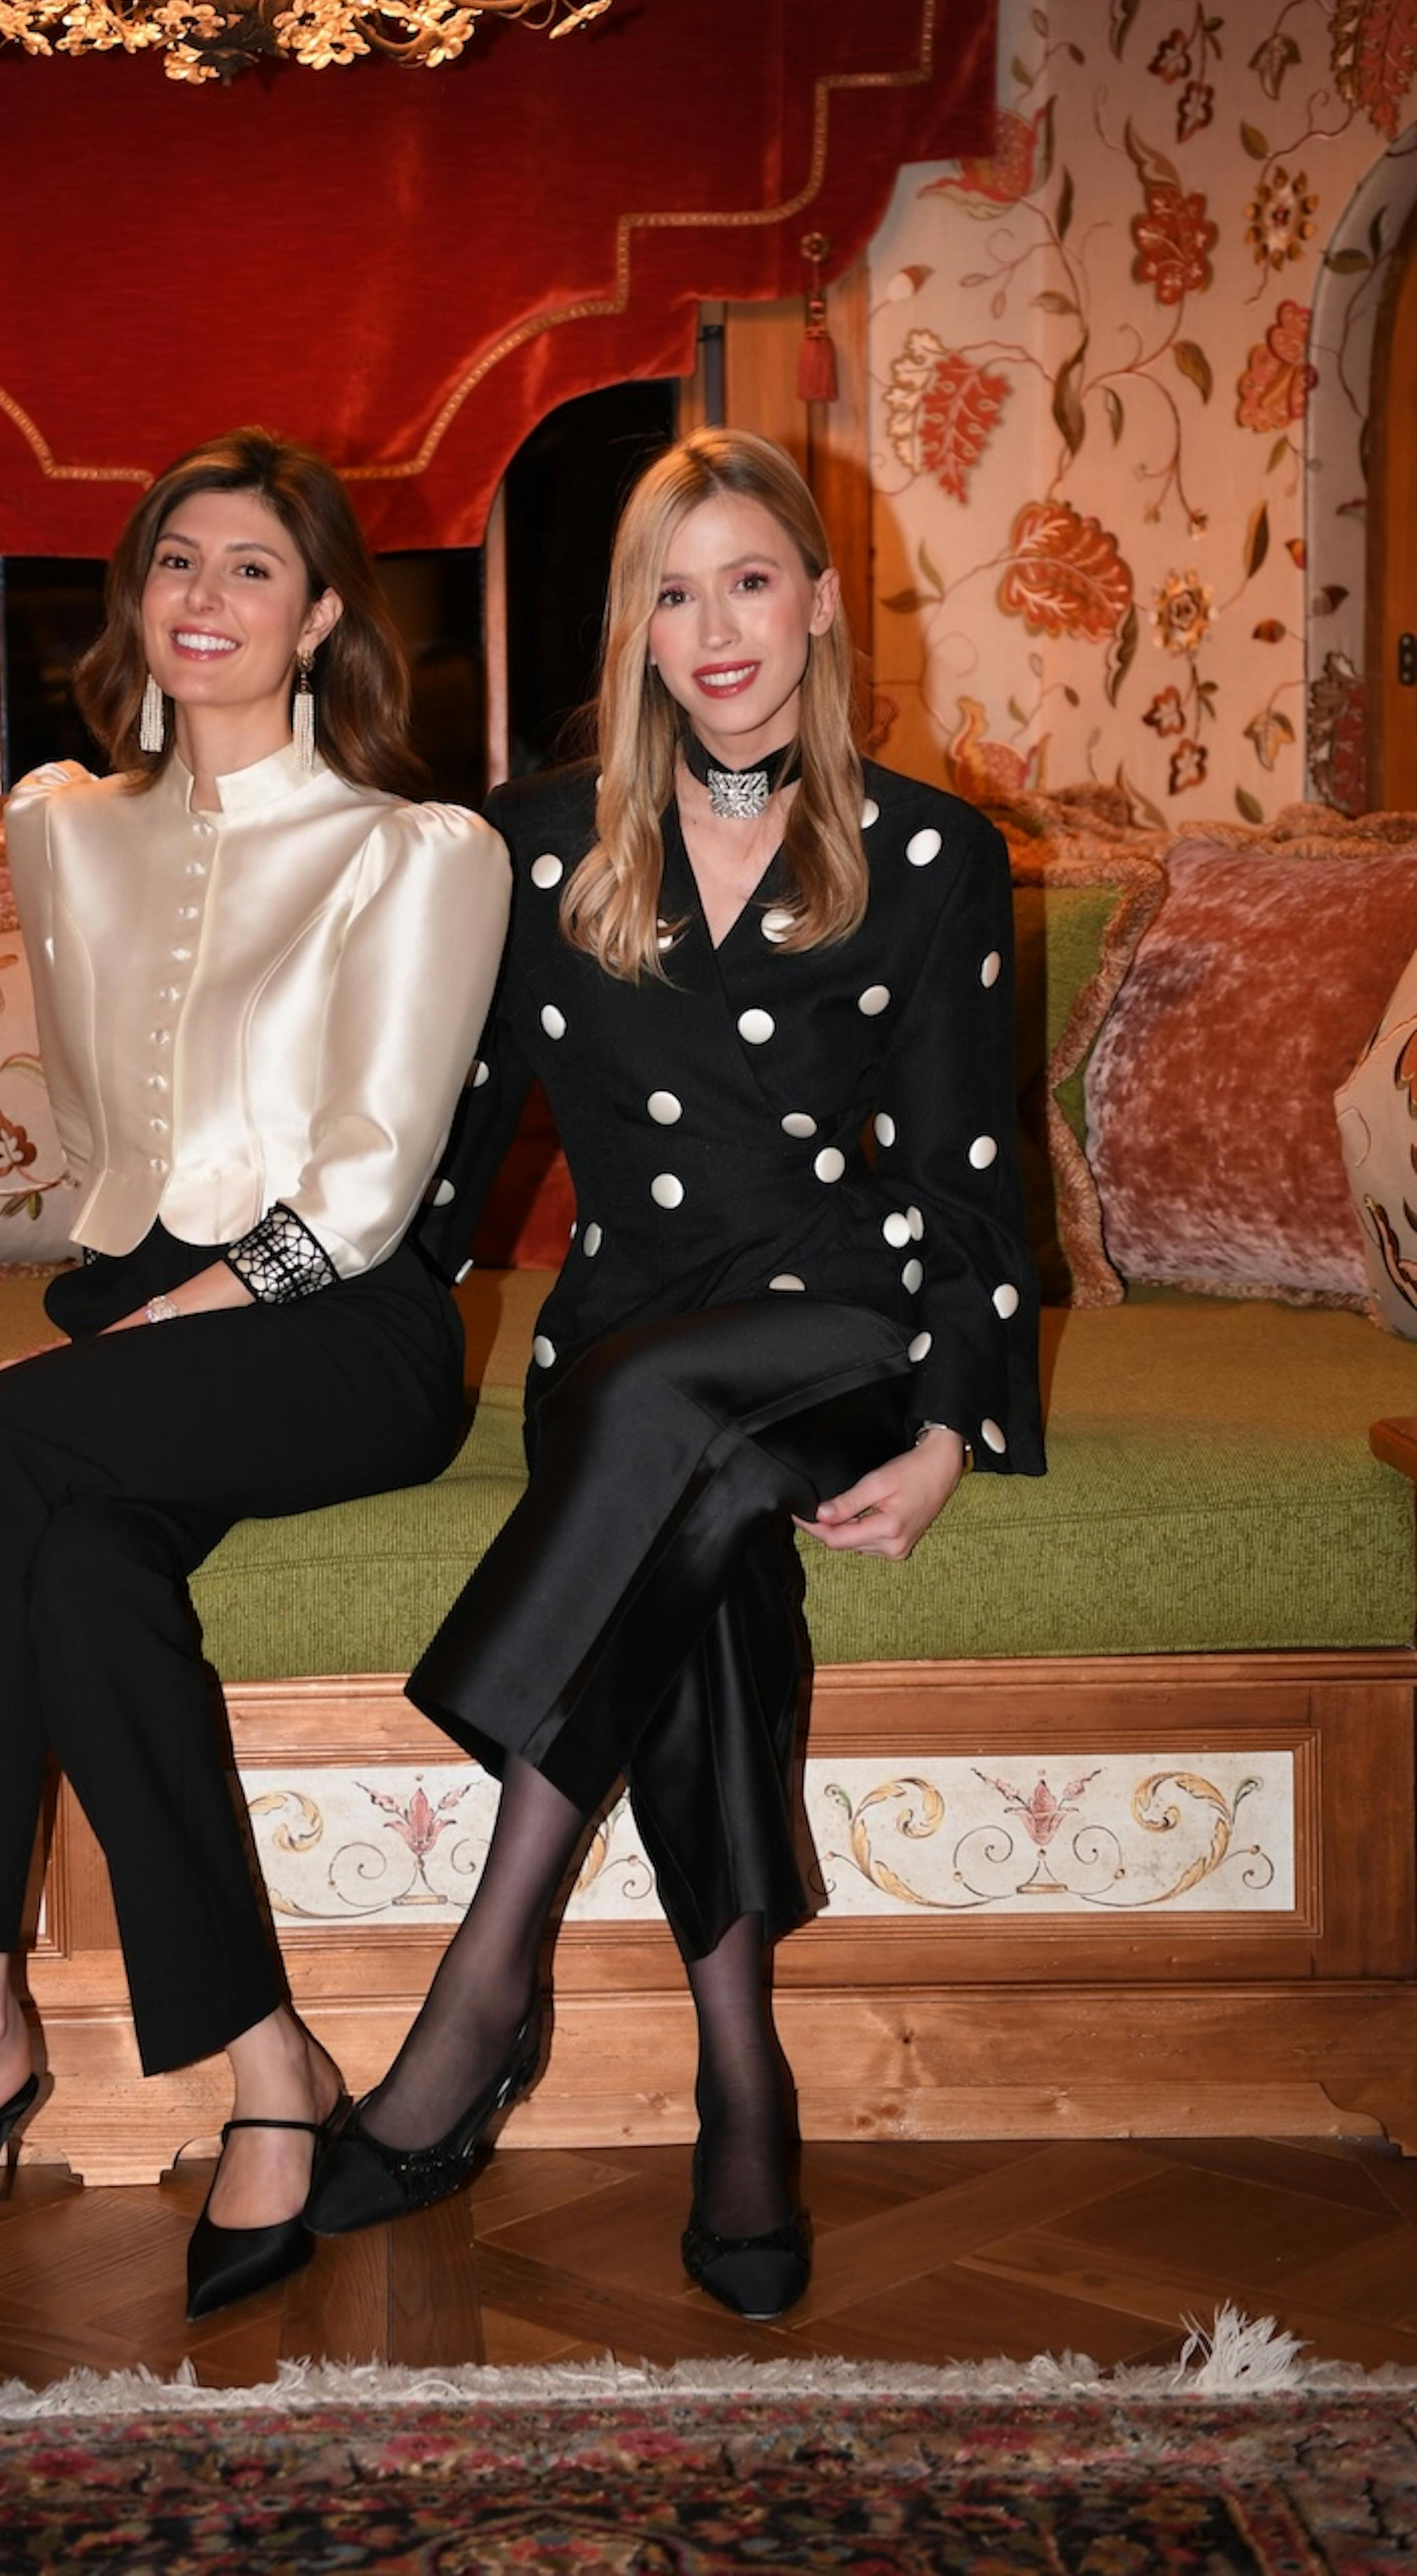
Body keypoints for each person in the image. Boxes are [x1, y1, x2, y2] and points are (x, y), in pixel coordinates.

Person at [0, 430, 510, 2320]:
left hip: (346, 1320)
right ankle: (270, 2065)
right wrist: (131, 1300)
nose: (205, 597)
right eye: (176, 559)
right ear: (136, 599)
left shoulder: (419, 851)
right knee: (78, 1568)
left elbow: (369, 1193)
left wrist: (168, 1321)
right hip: (153, 1297)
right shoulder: (64, 825)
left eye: (253, 568)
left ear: (321, 620)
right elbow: (100, 1136)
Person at [307, 428, 1044, 2318]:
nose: (716, 629)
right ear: (633, 626)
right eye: (672, 590)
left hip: (839, 1329)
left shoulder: (935, 852)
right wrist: (297, 1312)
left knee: (664, 1436)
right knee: (689, 1514)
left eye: (750, 581)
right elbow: (444, 1144)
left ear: (819, 603)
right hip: (626, 1333)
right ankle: (743, 2076)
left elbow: (969, 1178)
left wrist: (949, 1427)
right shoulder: (535, 845)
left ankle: (483, 1987)